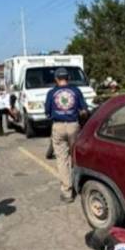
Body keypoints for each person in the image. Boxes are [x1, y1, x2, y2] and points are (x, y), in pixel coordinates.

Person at [45, 67, 88, 203]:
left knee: (62, 160)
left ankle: (67, 192)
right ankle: (79, 186)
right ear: (68, 78)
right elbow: (84, 111)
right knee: (74, 156)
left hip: (58, 126)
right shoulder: (76, 91)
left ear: (56, 79)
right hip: (73, 125)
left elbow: (47, 112)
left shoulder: (51, 93)